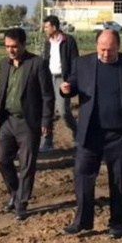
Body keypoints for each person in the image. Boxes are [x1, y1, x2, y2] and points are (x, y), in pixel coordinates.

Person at [60, 29, 122, 239]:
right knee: (83, 176)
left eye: (110, 50)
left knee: (120, 179)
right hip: (91, 132)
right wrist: (66, 89)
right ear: (96, 47)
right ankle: (82, 221)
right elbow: (73, 84)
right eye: (102, 49)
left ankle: (118, 223)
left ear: (119, 47)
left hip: (120, 134)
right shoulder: (82, 63)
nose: (106, 54)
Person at [0, 28, 54, 221]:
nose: (11, 50)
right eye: (8, 46)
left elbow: (47, 96)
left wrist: (46, 120)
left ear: (23, 45)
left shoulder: (37, 64)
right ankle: (15, 193)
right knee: (1, 158)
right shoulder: (4, 64)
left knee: (27, 165)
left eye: (15, 46)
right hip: (7, 121)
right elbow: (1, 92)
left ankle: (21, 204)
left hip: (28, 122)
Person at [40, 15, 80, 151]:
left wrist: (70, 80)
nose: (44, 29)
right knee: (47, 111)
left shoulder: (68, 41)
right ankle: (47, 141)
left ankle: (78, 133)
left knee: (63, 111)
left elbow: (75, 61)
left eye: (46, 26)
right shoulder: (47, 42)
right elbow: (45, 60)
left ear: (54, 27)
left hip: (62, 79)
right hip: (48, 78)